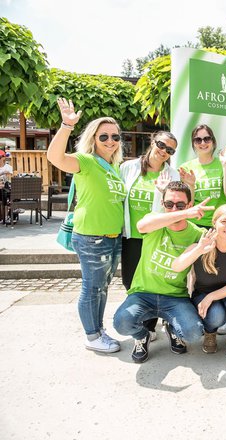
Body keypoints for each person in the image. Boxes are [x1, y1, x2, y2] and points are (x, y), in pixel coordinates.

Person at [46, 98, 127, 353]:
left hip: (112, 238)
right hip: (92, 237)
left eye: (115, 136)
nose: (111, 141)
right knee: (92, 288)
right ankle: (92, 336)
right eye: (104, 137)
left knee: (102, 288)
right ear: (93, 138)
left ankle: (98, 330)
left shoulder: (114, 167)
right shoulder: (86, 161)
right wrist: (66, 125)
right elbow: (55, 157)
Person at [113, 181, 212, 363]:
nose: (174, 209)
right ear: (162, 204)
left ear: (190, 205)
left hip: (175, 297)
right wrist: (184, 213)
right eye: (169, 204)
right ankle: (143, 335)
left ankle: (173, 329)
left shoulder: (197, 234)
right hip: (143, 294)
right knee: (121, 323)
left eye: (180, 205)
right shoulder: (155, 221)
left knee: (193, 333)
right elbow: (142, 226)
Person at [120, 131, 192, 341]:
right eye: (162, 145)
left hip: (160, 236)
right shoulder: (129, 168)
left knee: (158, 281)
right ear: (152, 141)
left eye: (170, 150)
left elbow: (181, 206)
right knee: (130, 281)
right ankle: (142, 321)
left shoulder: (173, 175)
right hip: (133, 235)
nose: (164, 151)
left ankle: (151, 327)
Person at [171, 205, 226, 361]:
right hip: (203, 293)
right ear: (215, 223)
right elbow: (176, 266)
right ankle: (210, 332)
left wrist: (212, 296)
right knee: (216, 316)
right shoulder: (202, 244)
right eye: (224, 221)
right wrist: (199, 250)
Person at [179, 124, 226, 228]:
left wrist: (225, 165)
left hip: (219, 223)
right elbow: (187, 205)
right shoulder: (186, 168)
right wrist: (191, 185)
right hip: (194, 224)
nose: (203, 143)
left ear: (213, 141)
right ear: (193, 144)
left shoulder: (224, 164)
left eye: (207, 139)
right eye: (198, 140)